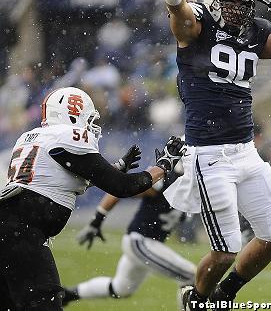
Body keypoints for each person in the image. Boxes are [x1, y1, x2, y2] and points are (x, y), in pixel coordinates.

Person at [155, 0, 271, 309]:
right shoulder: (198, 25)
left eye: (244, 4)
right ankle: (195, 299)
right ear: (211, 1)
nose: (238, 10)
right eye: (230, 3)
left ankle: (225, 295)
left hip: (246, 152)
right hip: (209, 155)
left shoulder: (255, 31)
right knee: (225, 250)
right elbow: (180, 16)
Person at [0, 87, 185, 310]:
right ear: (72, 113)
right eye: (87, 118)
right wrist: (163, 166)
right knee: (44, 303)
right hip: (20, 232)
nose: (90, 125)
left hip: (10, 226)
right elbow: (123, 187)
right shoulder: (68, 136)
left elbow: (67, 180)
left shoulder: (32, 137)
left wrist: (117, 168)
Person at [61, 168, 196, 307]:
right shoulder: (167, 178)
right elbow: (124, 188)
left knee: (121, 288)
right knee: (192, 277)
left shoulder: (195, 187)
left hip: (149, 245)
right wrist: (98, 219)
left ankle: (67, 295)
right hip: (141, 242)